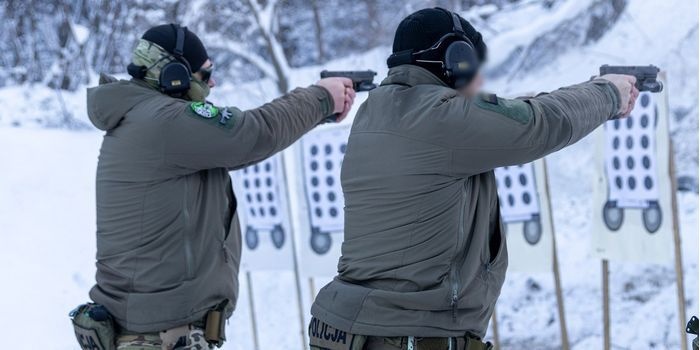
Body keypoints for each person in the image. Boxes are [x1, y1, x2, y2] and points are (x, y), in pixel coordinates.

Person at [309, 8, 638, 350]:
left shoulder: (378, 111)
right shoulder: (440, 119)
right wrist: (608, 94)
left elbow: (501, 114)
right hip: (403, 335)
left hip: (350, 332)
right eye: (473, 67)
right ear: (456, 60)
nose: (479, 81)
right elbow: (537, 123)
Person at [82, 24, 355, 350]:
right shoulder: (162, 121)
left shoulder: (143, 118)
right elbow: (253, 134)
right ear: (173, 74)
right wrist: (322, 98)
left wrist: (318, 112)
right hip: (158, 338)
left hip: (154, 333)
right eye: (204, 73)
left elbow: (240, 142)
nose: (212, 83)